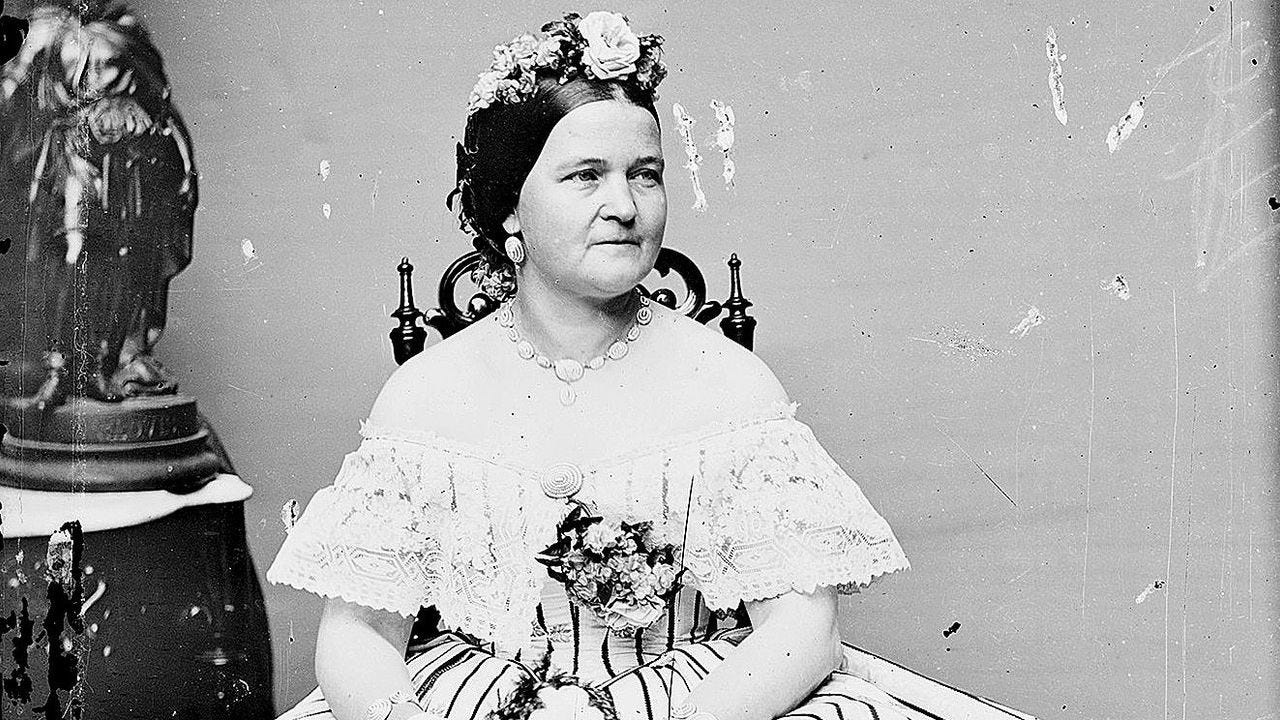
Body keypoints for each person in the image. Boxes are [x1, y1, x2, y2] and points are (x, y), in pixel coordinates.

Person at [267, 11, 1035, 720]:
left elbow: (802, 627)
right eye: (585, 175)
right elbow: (359, 633)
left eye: (645, 173)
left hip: (696, 699)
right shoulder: (423, 397)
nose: (626, 205)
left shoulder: (728, 383)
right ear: (507, 208)